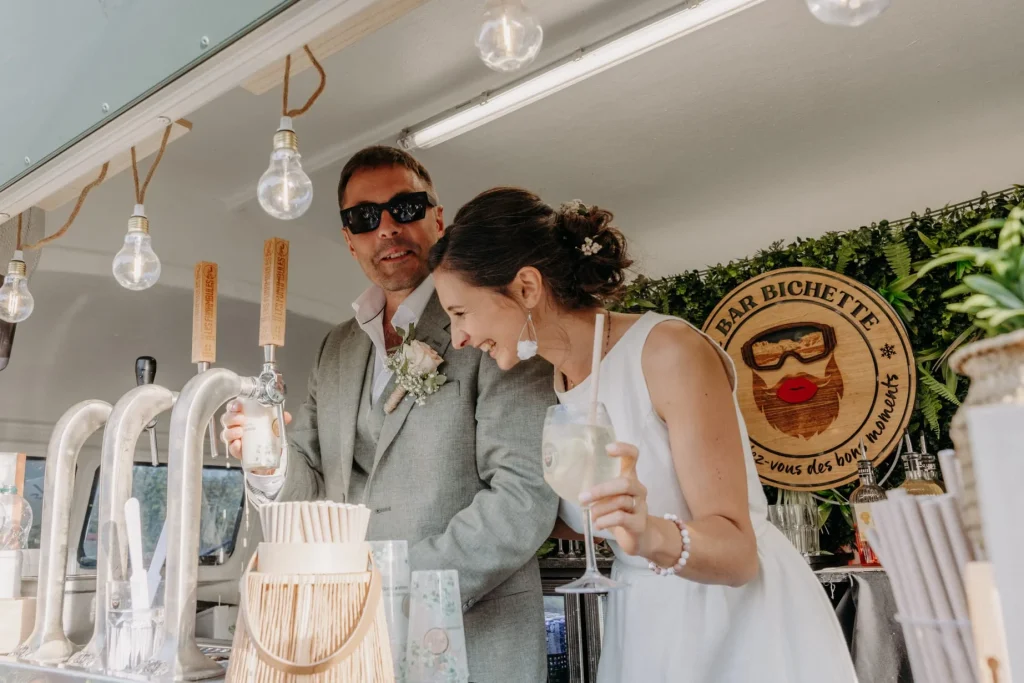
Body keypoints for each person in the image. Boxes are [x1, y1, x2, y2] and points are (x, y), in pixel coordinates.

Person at [428, 187, 860, 683]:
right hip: (643, 624)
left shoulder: (666, 351)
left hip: (735, 624)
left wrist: (650, 532)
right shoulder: (550, 385)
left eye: (460, 313)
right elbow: (575, 514)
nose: (458, 338)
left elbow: (739, 552)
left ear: (527, 287)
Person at [221, 149, 558, 683]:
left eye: (405, 208)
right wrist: (266, 463)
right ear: (349, 239)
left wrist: (395, 585)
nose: (387, 229)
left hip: (474, 642)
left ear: (437, 218)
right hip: (348, 645)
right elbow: (309, 487)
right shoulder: (335, 349)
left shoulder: (498, 320)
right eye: (364, 218)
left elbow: (523, 497)